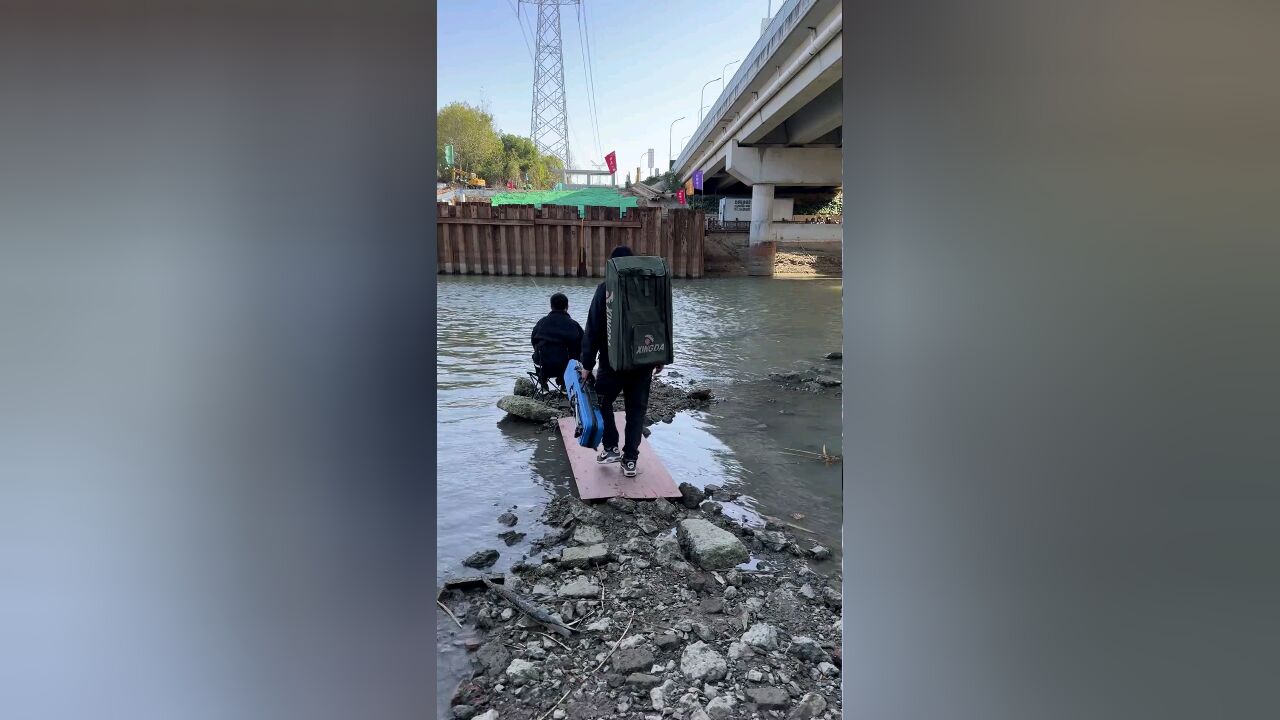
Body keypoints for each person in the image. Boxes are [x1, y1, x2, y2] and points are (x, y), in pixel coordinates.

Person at [578, 246, 665, 478]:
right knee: (636, 412)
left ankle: (611, 447)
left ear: (612, 266)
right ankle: (630, 461)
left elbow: (593, 329)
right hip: (643, 363)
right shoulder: (650, 288)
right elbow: (661, 322)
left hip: (612, 364)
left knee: (602, 403)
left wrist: (587, 365)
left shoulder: (606, 289)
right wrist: (659, 356)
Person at [530, 292, 584, 392]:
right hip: (564, 368)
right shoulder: (574, 325)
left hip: (543, 366)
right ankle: (565, 384)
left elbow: (533, 341)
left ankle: (542, 384)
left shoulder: (541, 322)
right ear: (567, 306)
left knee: (537, 352)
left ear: (551, 306)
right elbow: (583, 345)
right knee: (576, 353)